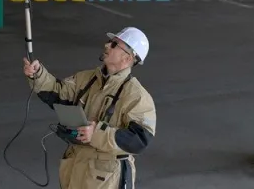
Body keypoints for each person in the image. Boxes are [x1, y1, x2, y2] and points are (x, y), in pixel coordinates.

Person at [23, 27, 156, 189]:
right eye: (109, 41)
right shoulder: (86, 78)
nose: (107, 45)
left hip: (106, 177)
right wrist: (37, 74)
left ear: (128, 57)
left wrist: (97, 133)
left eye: (114, 44)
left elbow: (140, 139)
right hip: (76, 167)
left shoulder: (136, 96)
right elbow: (58, 92)